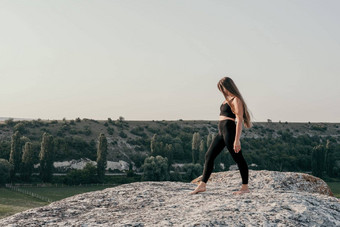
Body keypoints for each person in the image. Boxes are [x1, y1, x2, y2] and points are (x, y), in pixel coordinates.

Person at [189, 76, 253, 195]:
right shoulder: (226, 99)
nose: (222, 91)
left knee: (238, 158)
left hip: (229, 130)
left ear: (228, 86)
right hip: (221, 131)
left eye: (222, 88)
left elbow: (239, 120)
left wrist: (237, 140)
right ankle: (202, 184)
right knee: (209, 155)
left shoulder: (236, 99)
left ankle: (245, 187)